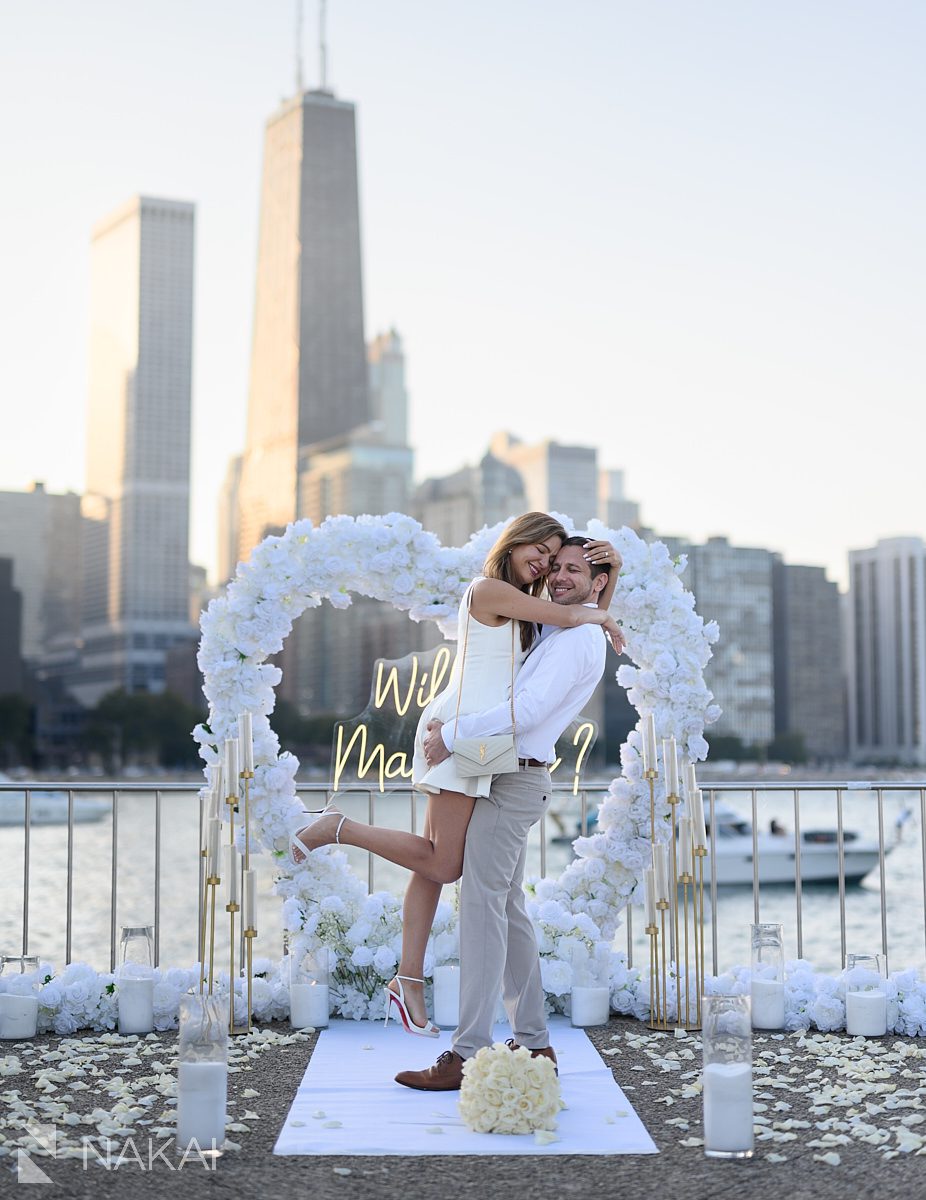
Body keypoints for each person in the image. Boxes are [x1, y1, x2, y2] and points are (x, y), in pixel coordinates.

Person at [290, 513, 624, 1036]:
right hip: (460, 733)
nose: (545, 563)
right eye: (540, 549)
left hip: (479, 739)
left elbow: (572, 618)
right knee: (444, 864)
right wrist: (604, 609)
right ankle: (337, 828)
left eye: (557, 557)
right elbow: (574, 615)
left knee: (432, 861)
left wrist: (605, 597)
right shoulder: (490, 590)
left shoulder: (537, 614)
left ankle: (408, 980)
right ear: (512, 543)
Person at [393, 537, 616, 1090]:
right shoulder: (565, 629)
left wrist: (455, 734)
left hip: (513, 775)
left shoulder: (577, 638)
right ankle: (537, 1045)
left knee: (482, 908)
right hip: (503, 767)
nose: (559, 576)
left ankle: (467, 1053)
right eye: (555, 566)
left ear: (598, 583)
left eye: (572, 569)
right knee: (507, 909)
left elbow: (532, 708)